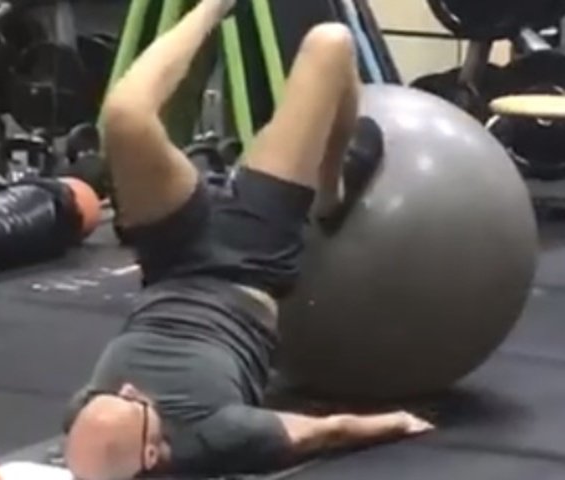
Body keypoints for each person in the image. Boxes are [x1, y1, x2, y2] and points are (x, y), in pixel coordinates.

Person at [63, 0, 435, 478]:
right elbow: (327, 430)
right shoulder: (216, 437)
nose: (129, 388)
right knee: (331, 43)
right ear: (154, 455)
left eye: (113, 394)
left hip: (167, 259)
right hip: (248, 259)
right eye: (133, 404)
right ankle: (332, 186)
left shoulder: (88, 419)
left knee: (124, 116)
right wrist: (396, 422)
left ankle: (212, 7)